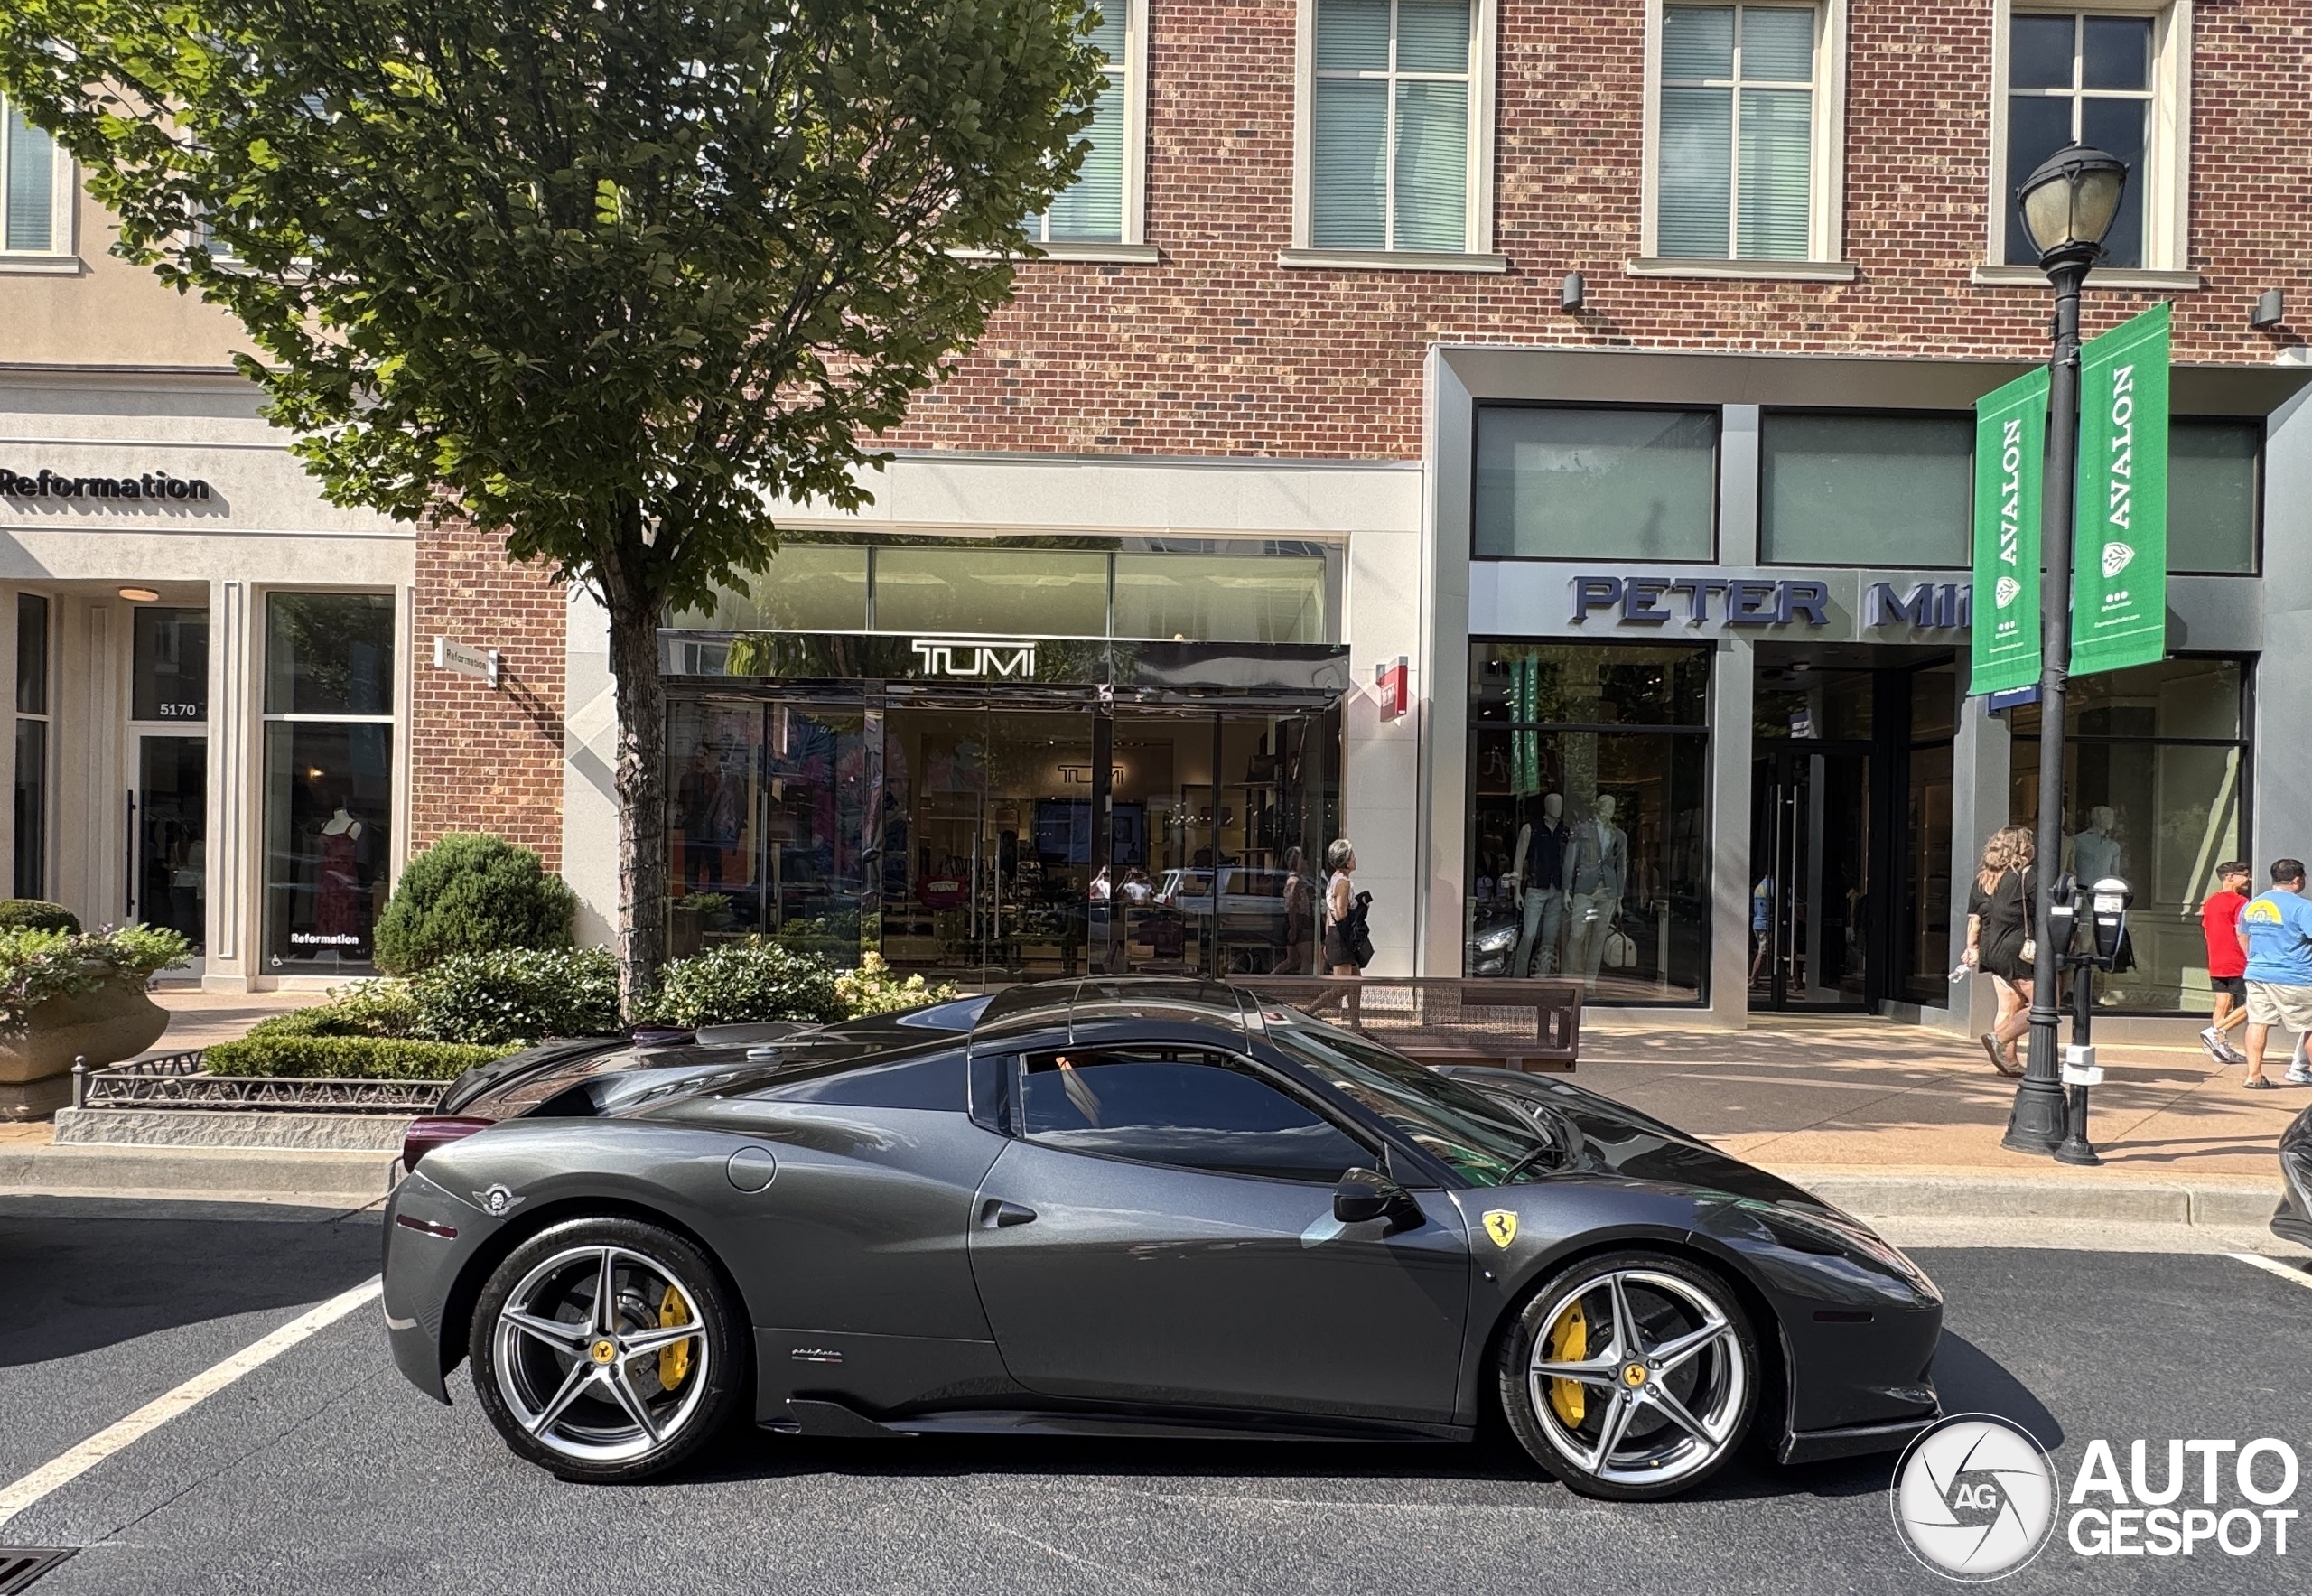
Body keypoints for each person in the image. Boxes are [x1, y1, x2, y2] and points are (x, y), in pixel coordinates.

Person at [1962, 826, 2037, 1078]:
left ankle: (2009, 1064)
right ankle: (2000, 1039)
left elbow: (1974, 921)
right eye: (2030, 843)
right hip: (2018, 951)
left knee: (2008, 1007)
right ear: (2022, 848)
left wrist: (1971, 949)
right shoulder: (2027, 876)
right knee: (2045, 1006)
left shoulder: (1983, 879)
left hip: (1991, 950)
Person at [2238, 858, 2312, 1089]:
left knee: (2258, 1022)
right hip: (2295, 976)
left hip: (2258, 973)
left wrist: (2253, 959)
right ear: (2298, 880)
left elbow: (2242, 935)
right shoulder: (2303, 907)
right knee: (2309, 1026)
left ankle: (2254, 1075)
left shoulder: (2253, 905)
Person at [2198, 861, 2253, 1067]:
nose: (2248, 878)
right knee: (2255, 1003)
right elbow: (2242, 932)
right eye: (2244, 874)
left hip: (2216, 958)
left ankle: (2219, 1046)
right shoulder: (2240, 902)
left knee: (2223, 1002)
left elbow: (2206, 931)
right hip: (2236, 959)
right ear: (2230, 877)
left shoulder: (2210, 901)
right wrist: (2249, 956)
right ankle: (2216, 1033)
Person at [1276, 845, 1316, 974]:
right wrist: (1293, 927)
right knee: (1307, 959)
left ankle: (1272, 977)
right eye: (1302, 860)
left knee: (1292, 959)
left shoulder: (1295, 880)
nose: (1305, 862)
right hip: (1299, 921)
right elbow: (1292, 904)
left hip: (1294, 921)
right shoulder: (1295, 881)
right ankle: (1306, 987)